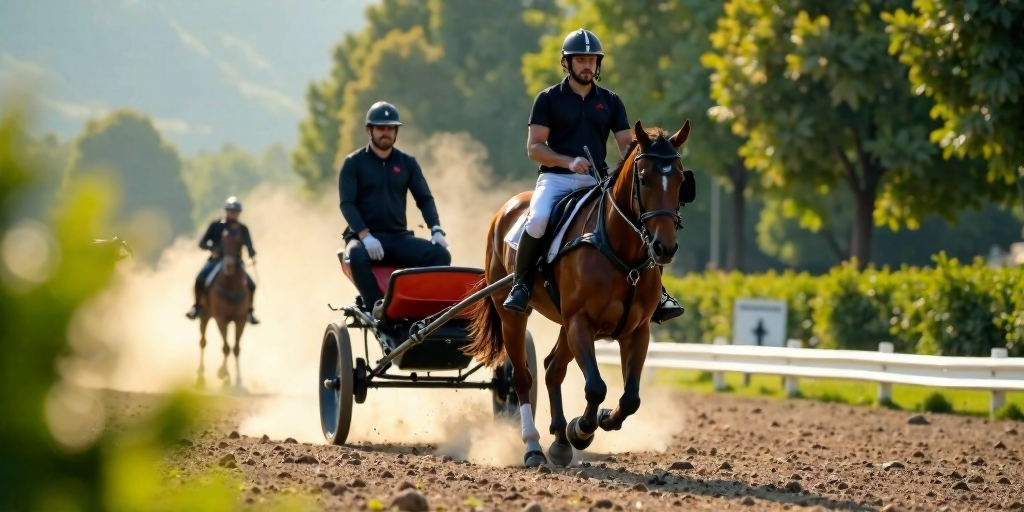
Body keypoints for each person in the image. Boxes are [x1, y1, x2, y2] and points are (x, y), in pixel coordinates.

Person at [502, 28, 686, 324]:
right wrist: (567, 161)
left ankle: (658, 292)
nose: (587, 65)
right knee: (536, 220)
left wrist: (655, 160)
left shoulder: (611, 101)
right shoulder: (548, 99)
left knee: (641, 222)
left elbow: (627, 145)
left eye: (592, 59)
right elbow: (534, 148)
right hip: (556, 180)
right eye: (580, 59)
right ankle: (521, 285)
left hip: (596, 183)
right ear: (567, 63)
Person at [338, 101, 452, 313]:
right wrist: (364, 235)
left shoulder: (407, 163)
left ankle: (420, 306)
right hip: (366, 240)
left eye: (390, 128)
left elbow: (424, 198)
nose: (386, 133)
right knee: (355, 255)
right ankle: (376, 307)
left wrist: (435, 228)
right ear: (368, 130)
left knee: (440, 255)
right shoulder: (353, 163)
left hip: (398, 238)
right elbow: (347, 203)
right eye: (380, 128)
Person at [186, 196, 259, 324]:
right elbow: (202, 243)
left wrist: (252, 253)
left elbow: (249, 245)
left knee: (251, 285)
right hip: (215, 261)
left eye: (236, 212)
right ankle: (197, 307)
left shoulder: (243, 229)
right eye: (231, 211)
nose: (233, 214)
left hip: (236, 263)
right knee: (200, 279)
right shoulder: (215, 225)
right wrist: (212, 247)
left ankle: (249, 311)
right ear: (226, 211)